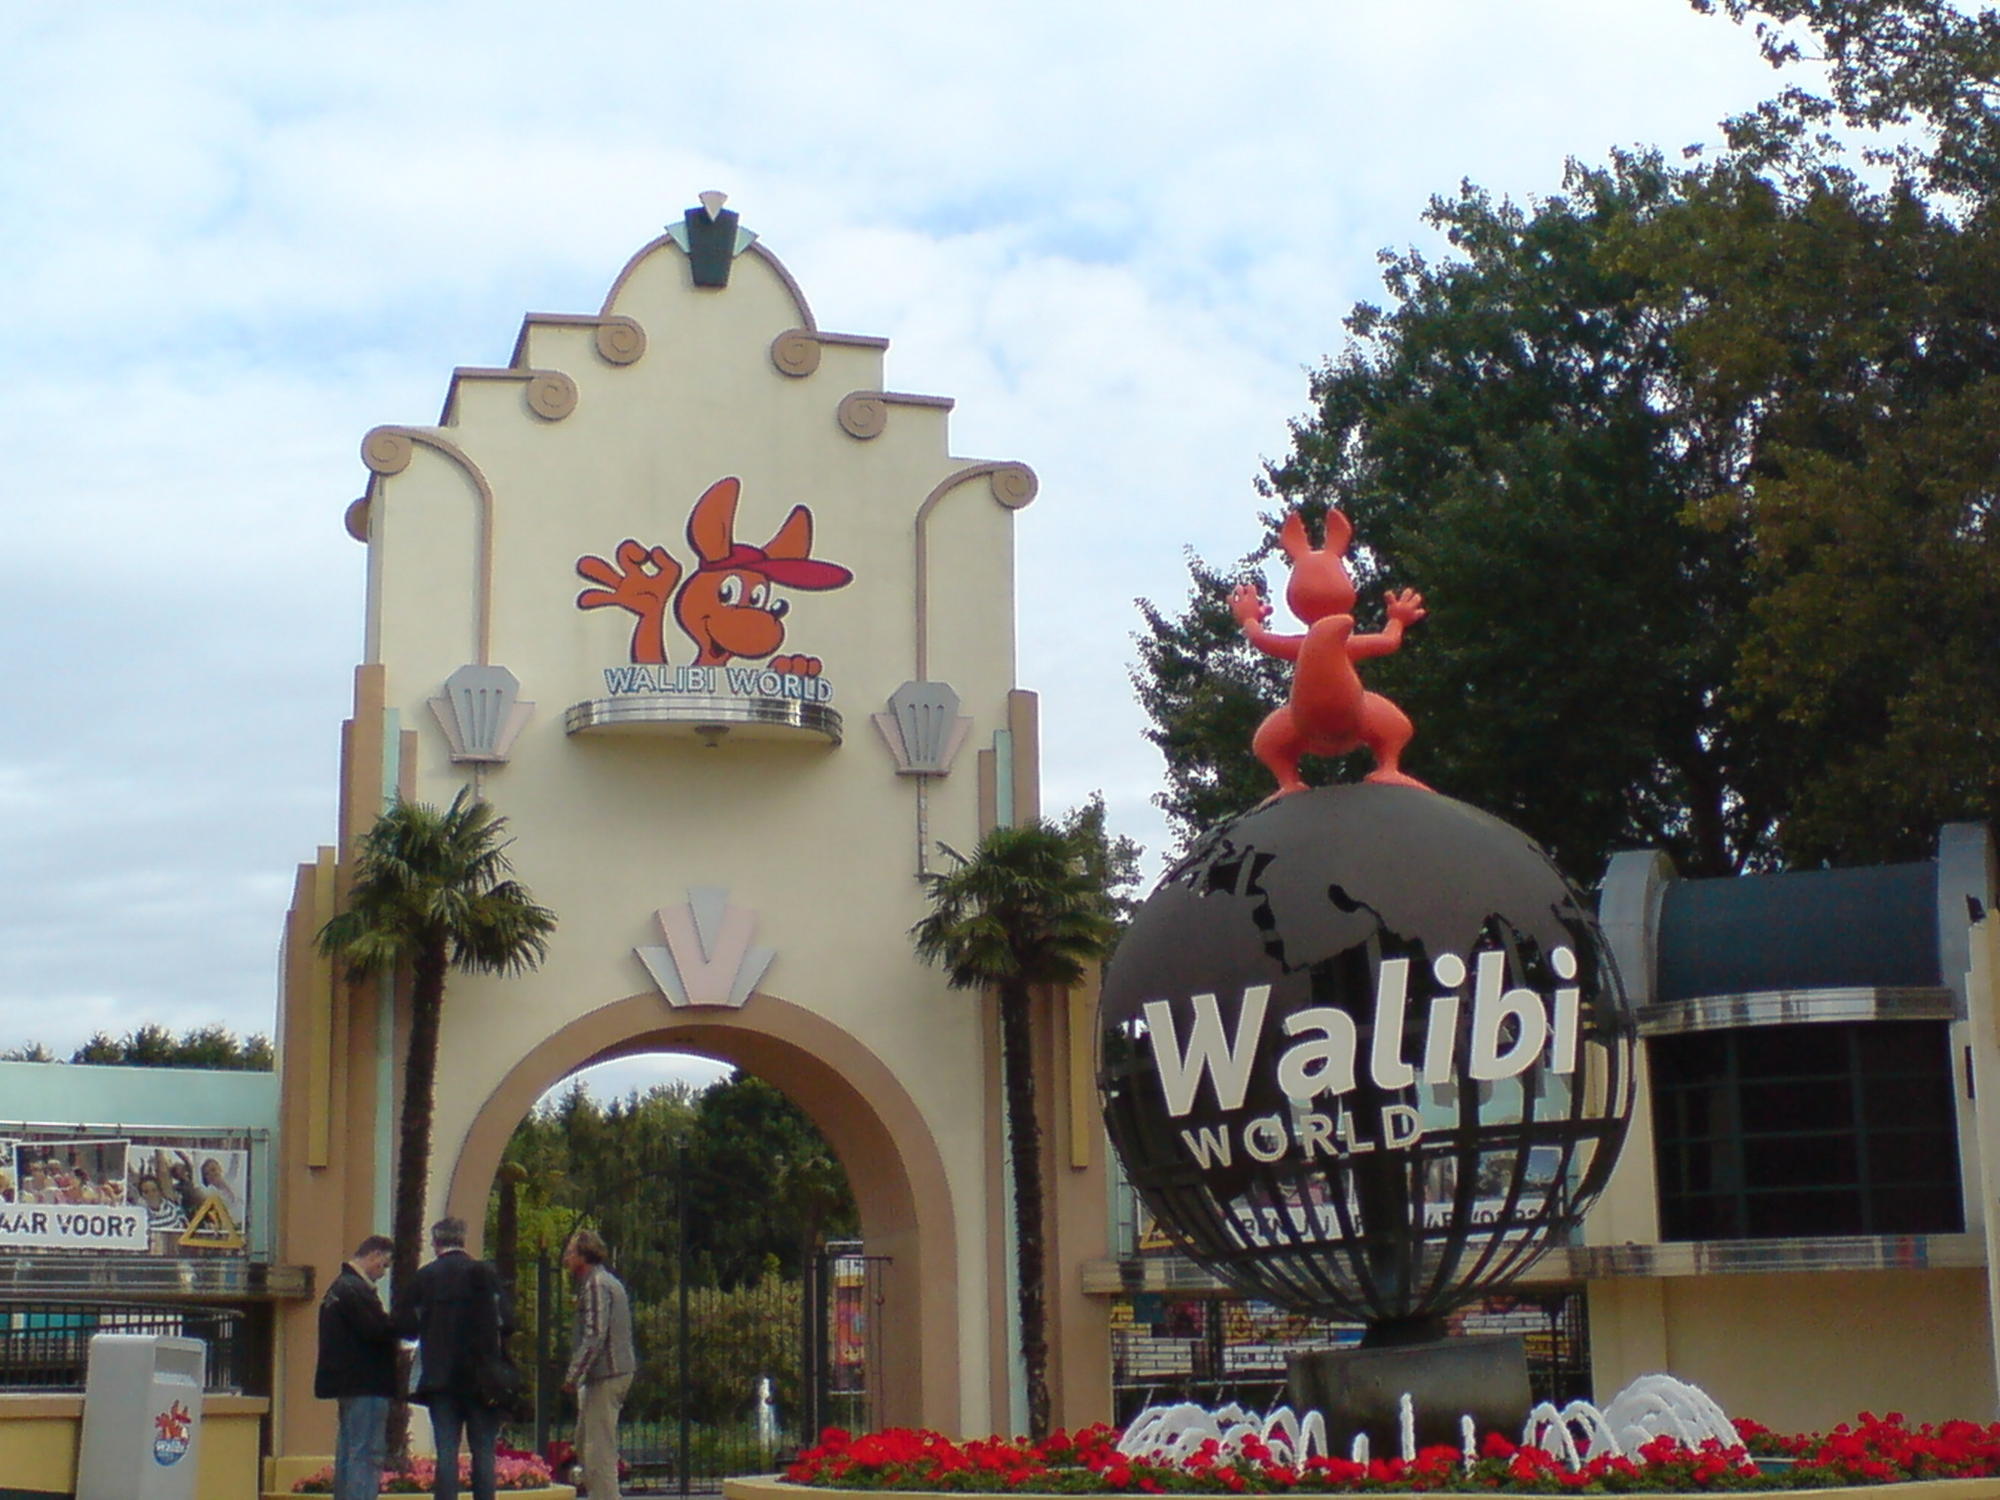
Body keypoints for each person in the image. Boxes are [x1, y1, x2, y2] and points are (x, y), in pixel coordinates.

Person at [396, 1217, 510, 1500]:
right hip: (482, 1379)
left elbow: (404, 1325)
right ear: (463, 1240)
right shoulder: (484, 1274)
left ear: (436, 1243)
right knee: (483, 1450)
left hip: (440, 1378)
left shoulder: (425, 1277)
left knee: (446, 1450)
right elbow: (508, 1321)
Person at [315, 1235, 397, 1500]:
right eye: (383, 1265)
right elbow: (377, 1331)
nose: (383, 1273)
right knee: (367, 1453)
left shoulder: (338, 1289)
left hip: (348, 1384)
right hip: (367, 1383)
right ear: (373, 1255)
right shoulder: (355, 1290)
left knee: (349, 1451)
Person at [562, 1229, 636, 1500]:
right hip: (610, 1373)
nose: (566, 1258)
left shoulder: (596, 1285)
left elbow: (595, 1334)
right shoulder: (605, 1282)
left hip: (607, 1374)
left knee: (599, 1449)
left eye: (571, 1252)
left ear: (584, 1255)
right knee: (585, 1441)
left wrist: (573, 1376)